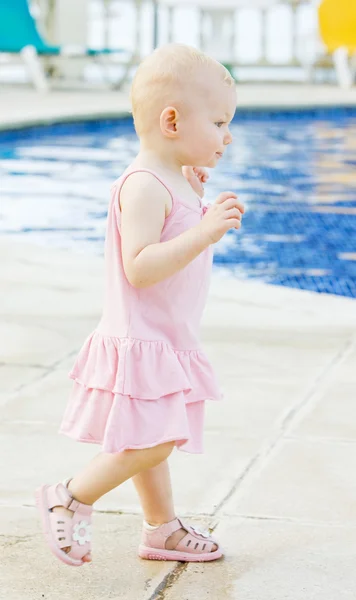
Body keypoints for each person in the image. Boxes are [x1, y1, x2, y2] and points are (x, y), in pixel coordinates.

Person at [35, 43, 244, 567]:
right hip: (141, 338)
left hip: (163, 336)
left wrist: (196, 199)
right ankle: (70, 495)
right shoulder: (145, 185)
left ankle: (161, 529)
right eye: (219, 122)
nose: (227, 136)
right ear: (171, 120)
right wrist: (204, 232)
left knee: (147, 435)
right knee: (156, 441)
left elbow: (172, 224)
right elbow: (140, 266)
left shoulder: (170, 177)